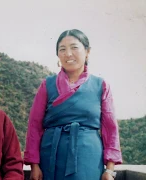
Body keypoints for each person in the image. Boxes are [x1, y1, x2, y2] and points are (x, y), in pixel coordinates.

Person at [24, 29, 122, 180]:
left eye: (74, 47)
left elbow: (110, 129)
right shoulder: (47, 85)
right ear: (58, 55)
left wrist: (109, 170)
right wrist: (34, 165)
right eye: (62, 49)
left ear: (87, 51)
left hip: (88, 159)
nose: (68, 53)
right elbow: (34, 126)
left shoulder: (100, 85)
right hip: (50, 158)